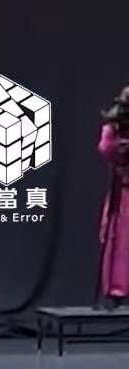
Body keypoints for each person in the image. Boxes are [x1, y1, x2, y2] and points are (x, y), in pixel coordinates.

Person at [98, 87, 129, 309]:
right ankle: (116, 291)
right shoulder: (115, 126)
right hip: (123, 190)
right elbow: (105, 148)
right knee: (119, 241)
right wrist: (119, 146)